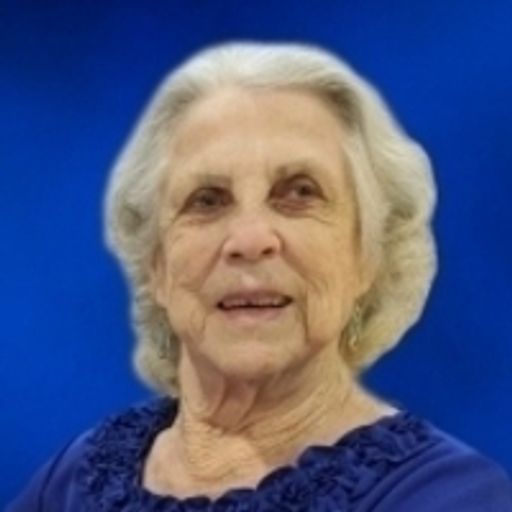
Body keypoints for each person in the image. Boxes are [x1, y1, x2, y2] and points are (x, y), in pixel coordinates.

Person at [7, 42, 512, 512]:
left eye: (300, 193)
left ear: (369, 255)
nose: (249, 239)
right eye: (207, 200)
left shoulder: (454, 497)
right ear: (155, 265)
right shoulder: (71, 482)